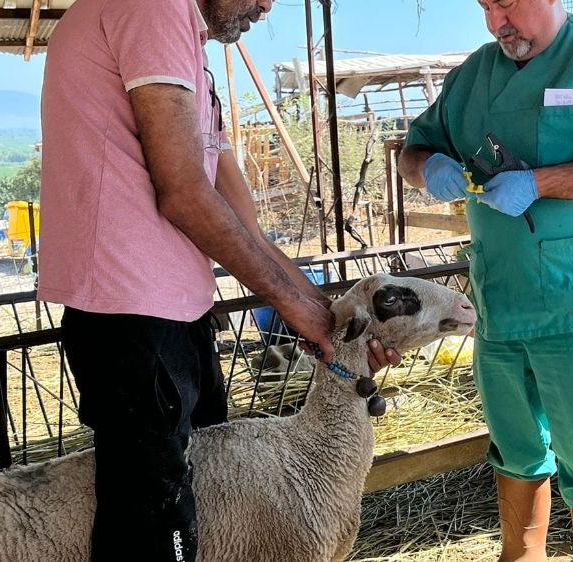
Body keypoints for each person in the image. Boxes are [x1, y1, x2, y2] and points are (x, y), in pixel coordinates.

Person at [39, 1, 397, 560]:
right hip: (130, 311)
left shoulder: (189, 49)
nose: (265, 5)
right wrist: (291, 305)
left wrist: (327, 318)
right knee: (155, 519)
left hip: (175, 310)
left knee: (203, 501)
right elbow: (184, 191)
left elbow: (242, 223)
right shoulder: (151, 8)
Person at [399, 1, 573, 561]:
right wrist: (427, 167)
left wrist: (541, 182)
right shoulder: (471, 75)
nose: (498, 19)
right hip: (501, 297)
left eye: (509, 2)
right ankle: (520, 555)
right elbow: (414, 147)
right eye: (485, 5)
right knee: (514, 440)